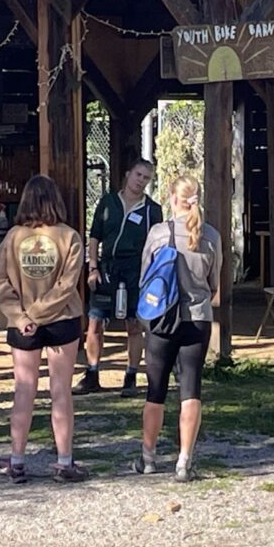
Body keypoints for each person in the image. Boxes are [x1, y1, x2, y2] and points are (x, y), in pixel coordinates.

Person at [0, 175, 88, 483]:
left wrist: (22, 316)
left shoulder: (13, 237)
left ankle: (17, 460)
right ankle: (64, 461)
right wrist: (40, 312)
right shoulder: (69, 237)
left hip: (23, 326)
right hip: (62, 321)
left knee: (24, 390)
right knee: (61, 392)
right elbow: (67, 285)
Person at [133, 176, 222, 482]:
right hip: (197, 317)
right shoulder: (210, 236)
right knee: (191, 388)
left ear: (172, 199)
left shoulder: (159, 233)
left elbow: (145, 276)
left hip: (161, 319)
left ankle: (147, 457)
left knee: (155, 390)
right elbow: (215, 284)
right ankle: (184, 460)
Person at [74, 159, 161, 397]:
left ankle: (131, 376)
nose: (140, 181)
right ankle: (92, 373)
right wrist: (93, 267)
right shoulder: (107, 202)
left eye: (146, 178)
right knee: (95, 323)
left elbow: (156, 245)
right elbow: (94, 237)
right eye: (138, 175)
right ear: (128, 173)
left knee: (134, 325)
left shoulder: (152, 210)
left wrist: (149, 276)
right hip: (107, 268)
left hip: (136, 271)